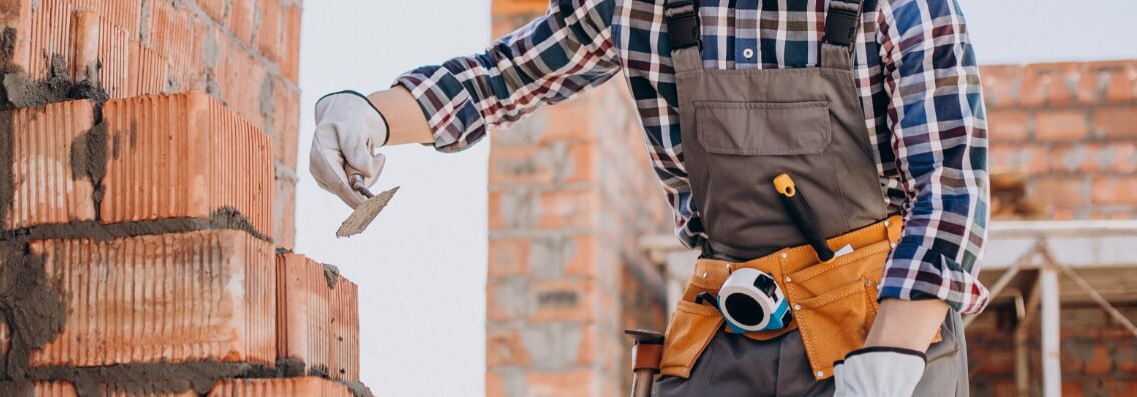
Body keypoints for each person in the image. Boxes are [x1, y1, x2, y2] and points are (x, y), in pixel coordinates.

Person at [309, 0, 990, 395]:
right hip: (732, 326)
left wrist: (888, 361)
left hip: (881, 331)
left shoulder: (900, 7)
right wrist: (370, 113)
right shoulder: (639, 6)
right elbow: (500, 78)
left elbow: (950, 189)